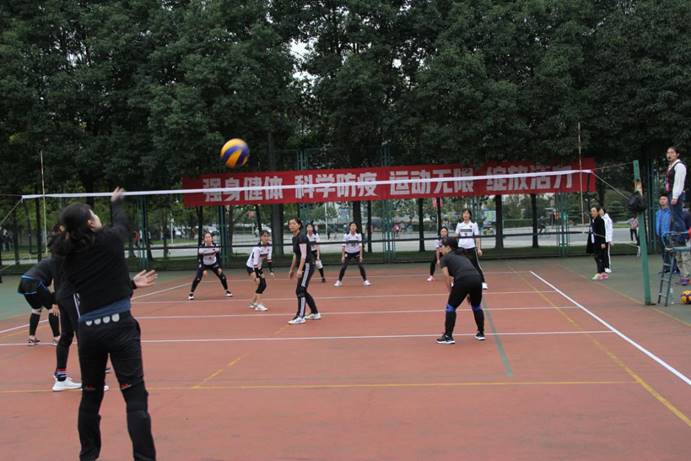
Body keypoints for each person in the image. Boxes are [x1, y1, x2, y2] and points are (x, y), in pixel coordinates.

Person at [52, 187, 156, 461]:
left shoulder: (67, 256)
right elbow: (121, 224)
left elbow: (93, 287)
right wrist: (116, 202)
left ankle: (88, 456)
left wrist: (131, 284)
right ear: (90, 222)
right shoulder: (109, 240)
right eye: (94, 215)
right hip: (120, 327)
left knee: (90, 397)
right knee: (135, 399)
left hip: (89, 333)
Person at [435, 237, 486, 344]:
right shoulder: (462, 255)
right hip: (477, 279)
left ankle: (448, 336)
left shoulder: (445, 258)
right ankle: (481, 333)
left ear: (448, 248)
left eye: (442, 246)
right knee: (476, 306)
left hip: (463, 280)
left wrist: (451, 292)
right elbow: (466, 272)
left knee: (450, 307)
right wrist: (467, 293)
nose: (440, 248)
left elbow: (446, 276)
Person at [17, 257, 61, 346]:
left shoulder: (46, 261)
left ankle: (31, 338)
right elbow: (55, 285)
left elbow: (46, 284)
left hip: (23, 281)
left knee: (36, 309)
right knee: (52, 309)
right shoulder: (57, 265)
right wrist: (54, 303)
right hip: (34, 281)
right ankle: (57, 338)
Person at [287, 217, 320, 324]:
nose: (291, 225)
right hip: (303, 266)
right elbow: (296, 255)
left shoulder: (302, 237)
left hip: (307, 266)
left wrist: (300, 269)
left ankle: (300, 316)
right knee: (303, 290)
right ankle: (315, 313)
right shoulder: (294, 238)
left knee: (300, 290)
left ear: (299, 225)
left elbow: (304, 255)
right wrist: (292, 269)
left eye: (293, 223)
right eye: (290, 224)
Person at [188, 232, 231, 300]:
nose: (208, 239)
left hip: (213, 263)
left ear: (212, 239)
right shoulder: (201, 248)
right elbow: (200, 260)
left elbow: (218, 257)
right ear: (204, 239)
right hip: (203, 264)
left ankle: (227, 291)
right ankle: (191, 293)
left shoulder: (215, 246)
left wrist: (220, 267)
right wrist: (203, 269)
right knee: (198, 278)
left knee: (223, 277)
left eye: (209, 237)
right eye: (206, 237)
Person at [454, 209, 487, 290]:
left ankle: (483, 282)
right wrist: (453, 247)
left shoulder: (474, 224)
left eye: (467, 213)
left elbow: (477, 237)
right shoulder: (459, 225)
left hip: (471, 248)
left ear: (470, 215)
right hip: (461, 248)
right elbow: (455, 236)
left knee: (476, 265)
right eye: (464, 213)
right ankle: (456, 282)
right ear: (462, 215)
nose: (465, 215)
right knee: (458, 266)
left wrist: (478, 249)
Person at [334, 222, 370, 287]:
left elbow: (360, 246)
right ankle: (339, 281)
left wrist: (361, 256)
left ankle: (365, 280)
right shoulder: (346, 235)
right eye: (352, 226)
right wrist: (343, 256)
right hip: (348, 253)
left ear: (356, 227)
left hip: (356, 253)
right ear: (350, 227)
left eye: (354, 226)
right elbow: (343, 246)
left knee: (361, 266)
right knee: (343, 267)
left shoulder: (358, 235)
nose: (353, 227)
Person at [245, 230, 274, 311]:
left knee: (263, 285)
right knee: (261, 284)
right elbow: (255, 263)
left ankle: (252, 303)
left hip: (259, 266)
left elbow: (269, 259)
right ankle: (258, 304)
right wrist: (257, 276)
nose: (266, 238)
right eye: (264, 236)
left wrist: (271, 271)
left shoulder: (269, 247)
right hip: (251, 266)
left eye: (267, 236)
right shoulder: (257, 248)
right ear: (261, 237)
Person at [665, 146, 687, 238]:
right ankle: (679, 237)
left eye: (672, 152)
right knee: (674, 217)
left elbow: (679, 182)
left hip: (676, 194)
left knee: (677, 217)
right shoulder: (671, 166)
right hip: (671, 193)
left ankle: (683, 238)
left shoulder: (679, 166)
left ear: (677, 154)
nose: (669, 155)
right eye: (668, 152)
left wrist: (675, 196)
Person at [586, 206, 607, 280]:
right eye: (591, 211)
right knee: (597, 257)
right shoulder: (592, 220)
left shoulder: (600, 220)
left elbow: (602, 232)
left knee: (598, 257)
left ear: (597, 212)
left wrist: (603, 242)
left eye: (594, 211)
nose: (592, 212)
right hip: (593, 241)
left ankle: (599, 273)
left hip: (599, 242)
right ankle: (603, 273)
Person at [655, 195, 675, 273]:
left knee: (671, 252)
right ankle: (666, 268)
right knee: (663, 252)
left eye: (664, 199)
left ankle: (675, 268)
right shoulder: (658, 212)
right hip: (660, 235)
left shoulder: (671, 212)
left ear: (668, 200)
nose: (662, 200)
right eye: (660, 199)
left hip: (668, 235)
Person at [600, 207, 614, 273]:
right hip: (600, 239)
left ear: (604, 211)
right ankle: (602, 267)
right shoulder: (598, 219)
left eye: (601, 211)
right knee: (600, 253)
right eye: (599, 211)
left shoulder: (608, 219)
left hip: (606, 239)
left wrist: (610, 240)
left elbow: (610, 230)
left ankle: (607, 267)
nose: (600, 212)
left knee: (606, 253)